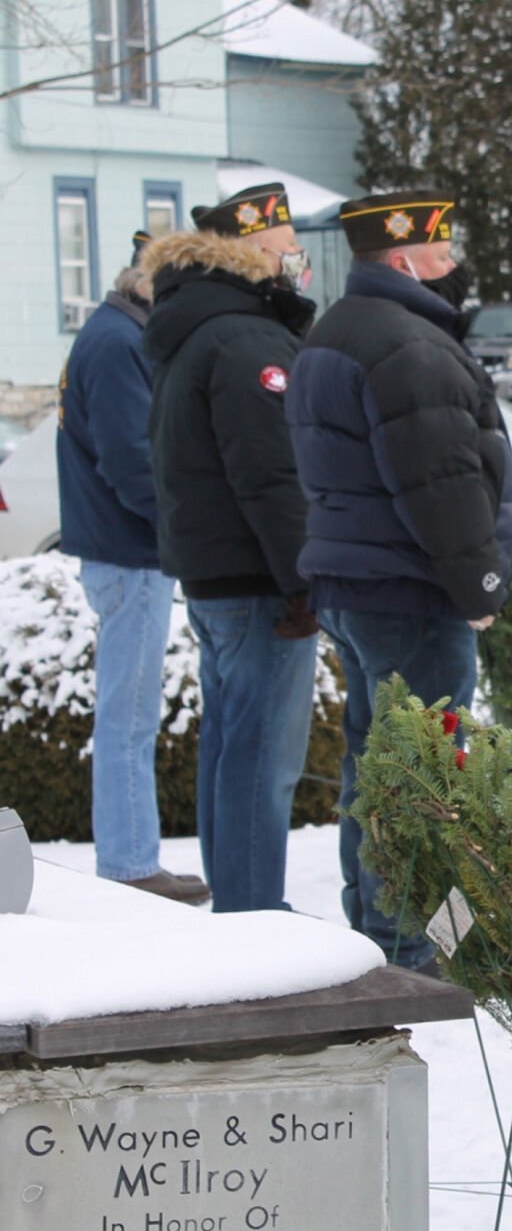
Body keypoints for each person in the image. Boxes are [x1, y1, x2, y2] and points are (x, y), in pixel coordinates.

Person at [286, 190, 512, 969]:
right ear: (403, 259)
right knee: (427, 780)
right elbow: (441, 483)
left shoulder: (336, 332)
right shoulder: (407, 346)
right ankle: (419, 946)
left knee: (375, 765)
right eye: (444, 253)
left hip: (357, 587)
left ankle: (379, 930)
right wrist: (478, 587)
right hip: (413, 592)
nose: (455, 267)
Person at [143, 184, 319, 913]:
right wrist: (304, 579)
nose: (294, 267)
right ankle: (253, 917)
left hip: (219, 575)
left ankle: (240, 905)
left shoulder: (203, 325)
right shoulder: (245, 338)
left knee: (231, 750)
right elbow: (271, 473)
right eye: (285, 252)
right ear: (250, 251)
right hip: (256, 581)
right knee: (259, 762)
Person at [57, 232, 208, 904]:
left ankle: (130, 857)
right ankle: (128, 863)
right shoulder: (119, 345)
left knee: (129, 712)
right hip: (131, 554)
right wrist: (185, 531)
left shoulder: (111, 333)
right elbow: (132, 466)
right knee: (129, 715)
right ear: (150, 284)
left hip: (122, 553)